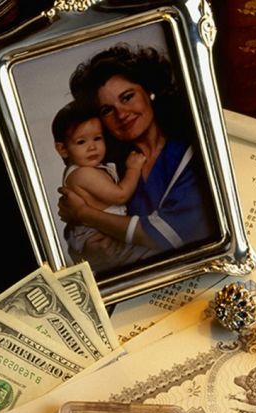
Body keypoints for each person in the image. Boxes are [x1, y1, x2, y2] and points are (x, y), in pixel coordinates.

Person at [58, 43, 217, 272]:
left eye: (127, 97)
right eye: (107, 110)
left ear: (149, 91)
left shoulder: (190, 155)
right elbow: (86, 250)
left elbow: (162, 236)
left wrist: (83, 213)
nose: (121, 114)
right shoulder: (111, 169)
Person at [51, 100, 147, 266]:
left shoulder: (90, 168)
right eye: (81, 142)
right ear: (63, 149)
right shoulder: (83, 173)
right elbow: (120, 195)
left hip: (101, 231)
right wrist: (134, 169)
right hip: (99, 236)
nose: (92, 147)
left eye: (97, 138)